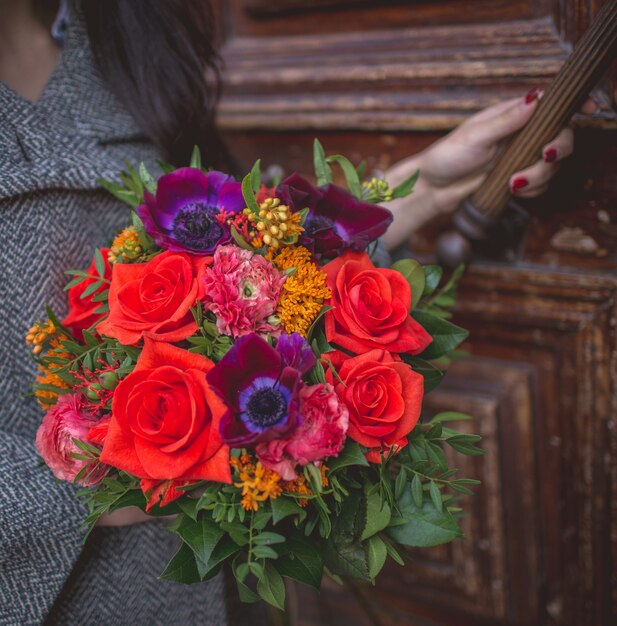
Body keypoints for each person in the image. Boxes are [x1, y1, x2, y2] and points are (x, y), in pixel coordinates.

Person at [0, 1, 597, 625]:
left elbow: (244, 257)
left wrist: (422, 189)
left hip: (223, 591)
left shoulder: (125, 42)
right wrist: (94, 481)